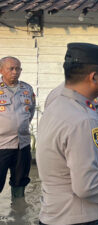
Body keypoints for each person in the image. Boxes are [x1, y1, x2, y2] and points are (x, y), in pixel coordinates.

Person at [36, 43, 98, 225]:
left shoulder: (57, 102)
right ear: (94, 77)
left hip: (54, 212)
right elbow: (88, 186)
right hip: (79, 216)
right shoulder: (82, 119)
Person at [0, 56, 35, 198]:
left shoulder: (26, 88)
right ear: (1, 70)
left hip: (22, 144)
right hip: (1, 145)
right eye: (11, 68)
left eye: (18, 68)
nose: (15, 72)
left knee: (20, 180)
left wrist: (19, 126)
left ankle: (18, 212)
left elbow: (30, 112)